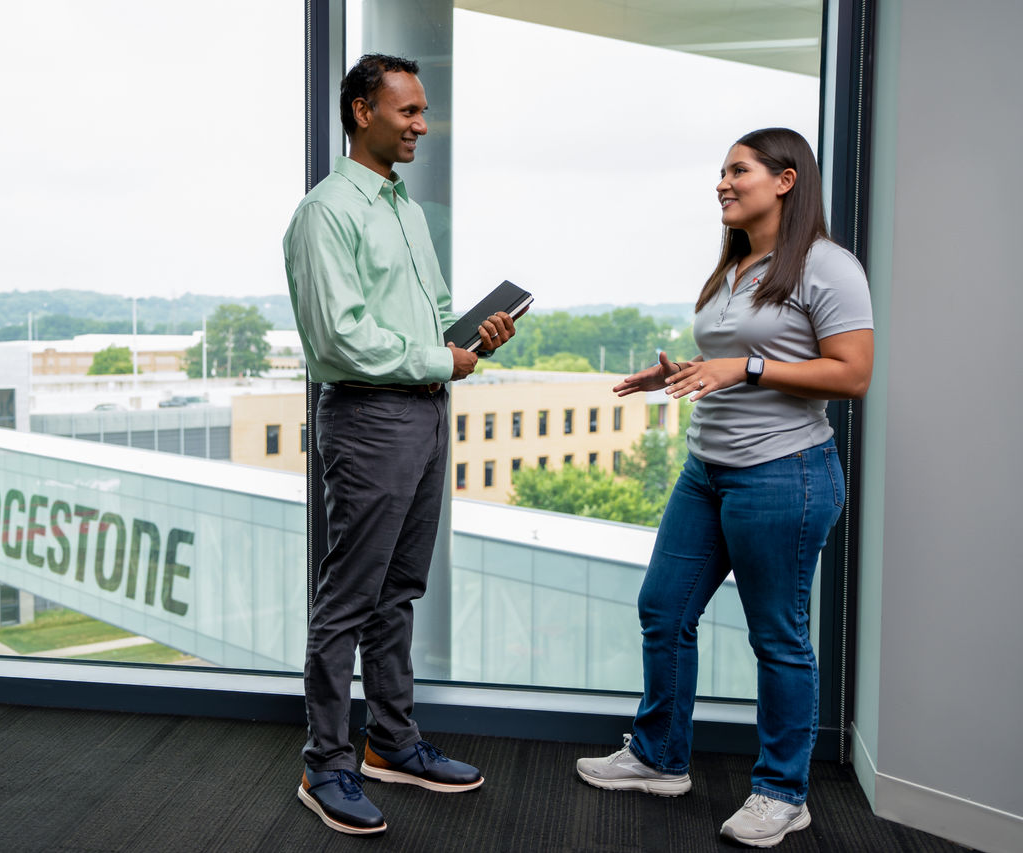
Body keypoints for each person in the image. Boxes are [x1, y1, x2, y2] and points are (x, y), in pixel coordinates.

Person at [576, 127, 873, 848]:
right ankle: (659, 757)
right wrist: (681, 373)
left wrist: (744, 368)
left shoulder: (827, 266)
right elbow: (734, 356)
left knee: (777, 635)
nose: (722, 183)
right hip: (705, 471)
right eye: (721, 172)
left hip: (783, 474)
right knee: (663, 608)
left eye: (738, 170)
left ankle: (783, 792)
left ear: (786, 180)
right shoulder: (734, 266)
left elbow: (851, 373)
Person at [283, 54, 518, 836]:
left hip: (423, 410)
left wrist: (471, 337)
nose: (423, 124)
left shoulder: (405, 210)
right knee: (349, 596)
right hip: (368, 415)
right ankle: (326, 763)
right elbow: (340, 337)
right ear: (362, 111)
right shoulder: (326, 213)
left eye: (423, 111)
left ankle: (390, 740)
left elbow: (434, 317)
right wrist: (438, 359)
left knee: (399, 588)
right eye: (408, 111)